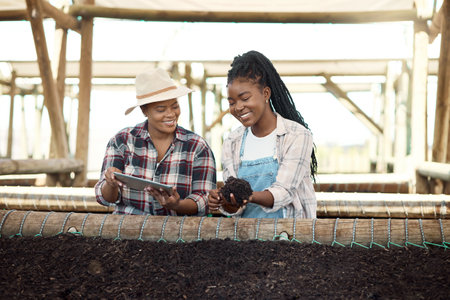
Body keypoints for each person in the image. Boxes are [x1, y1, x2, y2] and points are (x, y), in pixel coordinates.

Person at [208, 50, 317, 218]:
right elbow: (234, 210)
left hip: (290, 237)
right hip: (246, 238)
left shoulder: (297, 136)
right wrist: (225, 201)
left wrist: (246, 195)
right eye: (231, 102)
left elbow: (284, 192)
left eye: (245, 99)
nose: (238, 107)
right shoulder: (232, 142)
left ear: (265, 93)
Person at [95, 68, 217, 215]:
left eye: (175, 106)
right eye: (161, 109)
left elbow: (204, 200)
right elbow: (105, 198)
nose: (171, 114)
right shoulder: (123, 141)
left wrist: (177, 205)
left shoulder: (197, 146)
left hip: (177, 234)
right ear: (144, 111)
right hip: (126, 230)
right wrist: (110, 184)